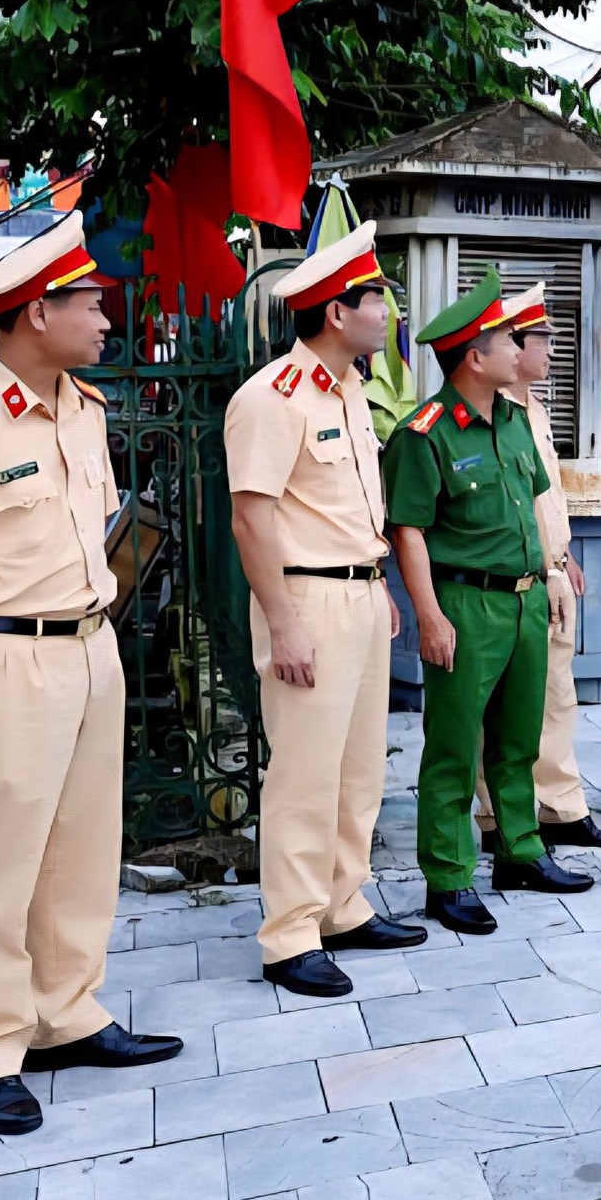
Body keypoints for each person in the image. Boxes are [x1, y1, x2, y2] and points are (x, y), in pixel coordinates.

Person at [0, 212, 182, 1136]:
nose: (105, 314)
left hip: (90, 648)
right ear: (34, 310)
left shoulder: (84, 411)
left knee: (82, 849)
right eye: (89, 300)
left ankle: (67, 1012)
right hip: (0, 657)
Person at [227, 223, 426, 1000]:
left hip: (358, 592)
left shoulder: (349, 392)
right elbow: (253, 517)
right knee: (305, 773)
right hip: (304, 594)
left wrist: (376, 588)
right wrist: (281, 621)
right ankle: (289, 933)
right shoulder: (271, 398)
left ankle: (343, 903)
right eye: (378, 298)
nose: (388, 313)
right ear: (337, 312)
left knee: (357, 766)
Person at [382, 268, 593, 935]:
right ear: (473, 357)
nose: (517, 347)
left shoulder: (515, 421)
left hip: (525, 600)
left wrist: (553, 572)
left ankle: (519, 851)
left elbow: (536, 504)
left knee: (517, 739)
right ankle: (448, 878)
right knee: (453, 746)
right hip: (466, 604)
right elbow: (407, 529)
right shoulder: (426, 432)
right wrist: (430, 614)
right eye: (506, 339)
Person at [474, 285, 601, 856]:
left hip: (551, 573)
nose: (551, 350)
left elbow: (546, 496)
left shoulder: (532, 407)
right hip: (512, 578)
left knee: (557, 695)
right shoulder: (493, 410)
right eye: (543, 338)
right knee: (503, 707)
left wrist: (562, 559)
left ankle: (561, 806)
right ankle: (496, 817)